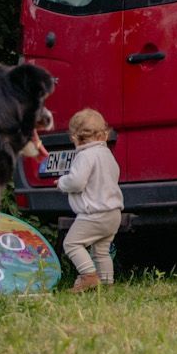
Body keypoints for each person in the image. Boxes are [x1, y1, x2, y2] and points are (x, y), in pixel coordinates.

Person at [57, 109, 123, 292]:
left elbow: (77, 182)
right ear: (104, 133)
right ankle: (107, 283)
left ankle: (88, 276)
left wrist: (63, 183)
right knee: (101, 250)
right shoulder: (107, 154)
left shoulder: (85, 156)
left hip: (94, 214)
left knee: (71, 244)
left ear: (74, 138)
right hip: (113, 213)